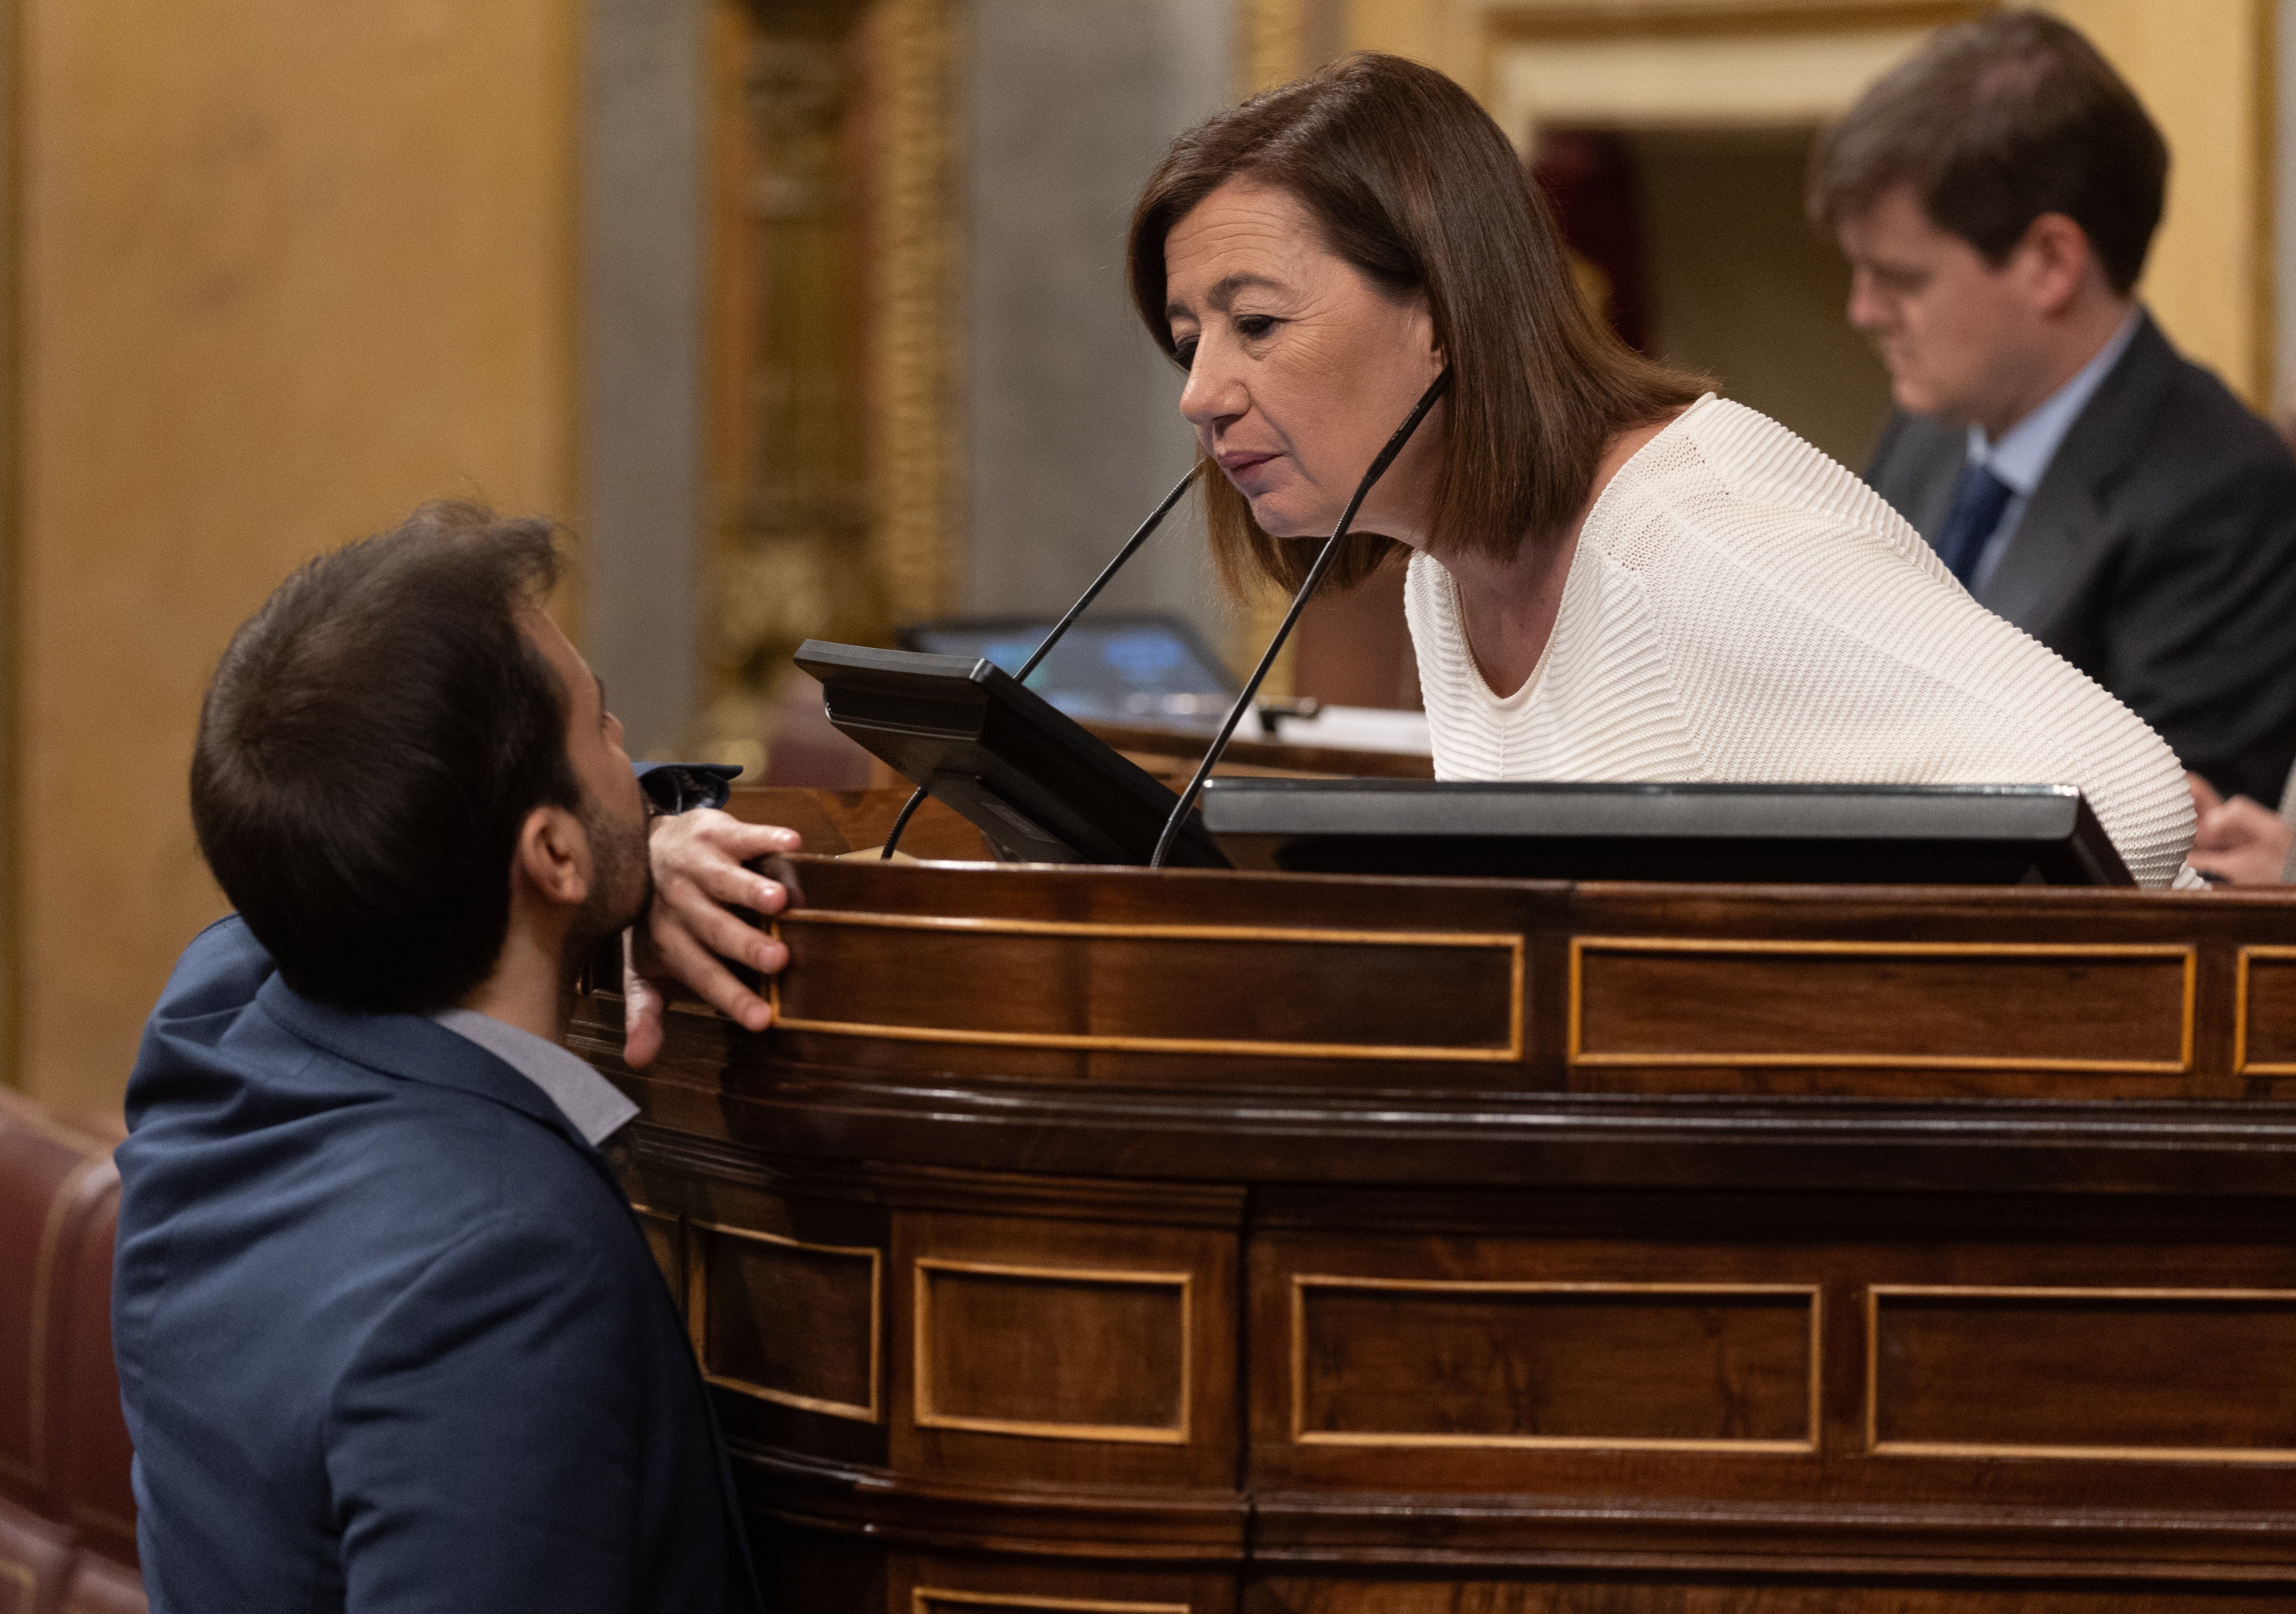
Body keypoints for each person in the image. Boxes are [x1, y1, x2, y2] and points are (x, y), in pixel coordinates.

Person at [1126, 52, 2198, 885]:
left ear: (1447, 310)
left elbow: (2121, 798)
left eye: (1255, 323)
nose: (1201, 392)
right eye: (1189, 341)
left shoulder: (1689, 542)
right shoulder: (1446, 576)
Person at [114, 505, 765, 1613]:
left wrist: (630, 837)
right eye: (605, 726)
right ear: (550, 853)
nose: (630, 754)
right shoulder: (506, 1273)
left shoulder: (207, 1033)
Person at [1814, 10, 2296, 808]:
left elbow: (2154, 843)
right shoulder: (1928, 431)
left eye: (1902, 279)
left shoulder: (2228, 495)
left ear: (2050, 263)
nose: (1863, 311)